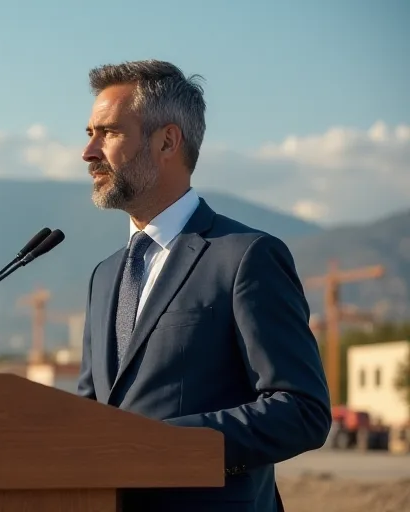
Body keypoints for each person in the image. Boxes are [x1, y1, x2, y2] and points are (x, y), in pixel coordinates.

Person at [76, 60, 331, 512]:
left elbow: (301, 410)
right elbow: (90, 414)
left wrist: (160, 447)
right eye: (89, 133)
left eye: (109, 133)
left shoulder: (246, 256)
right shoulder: (103, 275)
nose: (89, 152)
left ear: (167, 141)